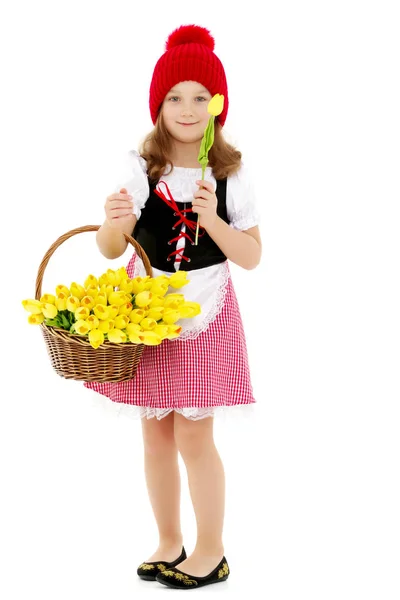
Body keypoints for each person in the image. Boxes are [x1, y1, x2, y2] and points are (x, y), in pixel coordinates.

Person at [84, 23, 262, 589]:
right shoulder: (141, 167)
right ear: (158, 106)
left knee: (193, 433)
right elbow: (113, 250)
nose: (187, 109)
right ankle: (168, 539)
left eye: (199, 97)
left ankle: (212, 548)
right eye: (173, 98)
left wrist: (212, 221)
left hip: (206, 313)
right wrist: (112, 226)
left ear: (218, 104)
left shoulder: (231, 172)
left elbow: (252, 255)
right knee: (155, 431)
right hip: (146, 311)